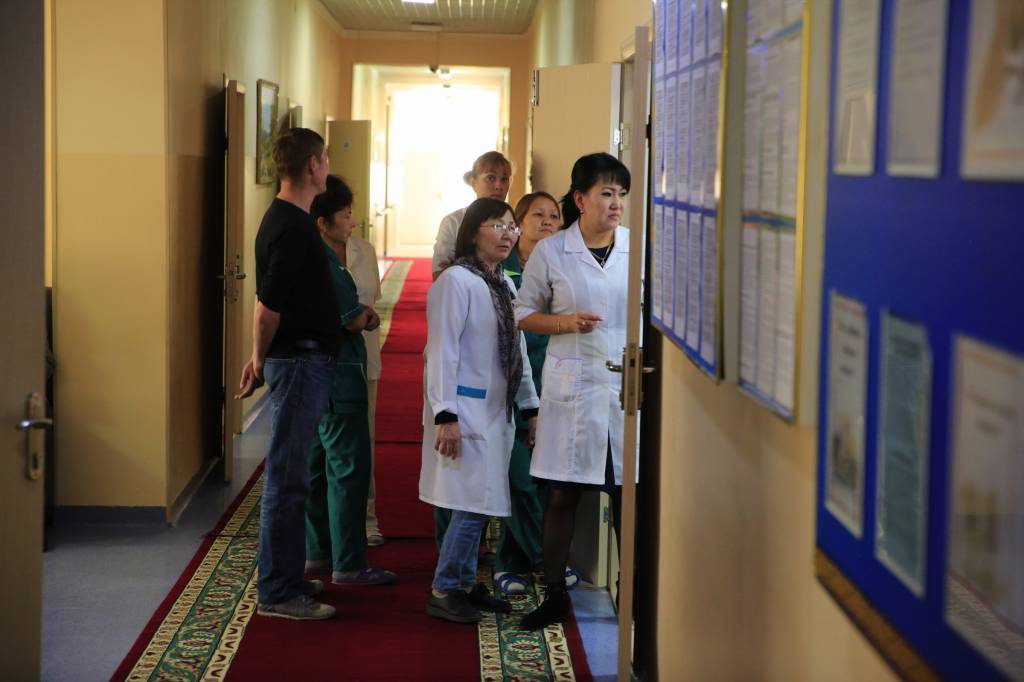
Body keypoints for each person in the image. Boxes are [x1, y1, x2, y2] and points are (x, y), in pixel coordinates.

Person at [513, 153, 632, 629]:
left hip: (623, 391)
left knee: (627, 496)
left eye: (621, 194)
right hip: (573, 390)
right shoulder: (552, 251)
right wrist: (565, 323)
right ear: (581, 200)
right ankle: (555, 595)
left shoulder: (636, 247)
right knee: (562, 495)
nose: (616, 203)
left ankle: (632, 595)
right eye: (607, 193)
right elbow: (522, 313)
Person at [236, 128, 340, 621]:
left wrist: (261, 354)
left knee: (293, 476)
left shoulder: (288, 219)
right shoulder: (292, 226)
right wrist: (259, 358)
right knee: (287, 478)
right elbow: (266, 307)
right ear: (313, 165)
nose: (328, 167)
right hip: (298, 362)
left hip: (298, 360)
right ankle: (278, 591)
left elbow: (270, 304)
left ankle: (289, 576)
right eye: (325, 159)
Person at [420, 198, 540, 624]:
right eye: (497, 226)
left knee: (482, 500)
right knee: (472, 503)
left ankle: (466, 583)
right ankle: (445, 588)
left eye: (511, 227)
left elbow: (517, 350)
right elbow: (442, 351)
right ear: (473, 233)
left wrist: (531, 406)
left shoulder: (503, 283)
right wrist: (445, 414)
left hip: (496, 411)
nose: (508, 235)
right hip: (464, 409)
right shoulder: (455, 281)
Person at [304, 175, 397, 587]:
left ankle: (317, 552)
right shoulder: (327, 267)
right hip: (338, 373)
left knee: (317, 464)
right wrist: (364, 318)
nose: (352, 220)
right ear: (322, 222)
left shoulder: (306, 256)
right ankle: (348, 562)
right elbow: (353, 317)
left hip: (313, 372)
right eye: (344, 214)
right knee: (347, 467)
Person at [492, 192, 561, 596]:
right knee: (517, 477)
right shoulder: (504, 270)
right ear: (518, 224)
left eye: (554, 216)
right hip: (512, 387)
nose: (548, 221)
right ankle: (542, 559)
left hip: (553, 386)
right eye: (538, 215)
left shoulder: (561, 268)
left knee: (542, 480)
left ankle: (511, 563)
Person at [342, 218, 386, 547]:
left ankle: (366, 518)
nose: (352, 220)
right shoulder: (309, 251)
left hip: (363, 358)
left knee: (362, 441)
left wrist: (367, 316)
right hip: (322, 360)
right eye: (344, 214)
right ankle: (323, 524)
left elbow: (373, 300)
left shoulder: (364, 250)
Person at [431, 151, 512, 281]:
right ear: (474, 183)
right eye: (491, 178)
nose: (499, 186)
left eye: (504, 179)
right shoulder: (453, 222)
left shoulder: (514, 223)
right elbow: (440, 276)